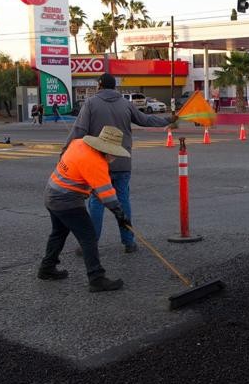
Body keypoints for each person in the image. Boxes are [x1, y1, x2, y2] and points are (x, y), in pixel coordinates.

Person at [65, 73, 176, 254]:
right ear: (114, 87)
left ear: (100, 85)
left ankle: (91, 243)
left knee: (97, 202)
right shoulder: (126, 104)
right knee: (123, 202)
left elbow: (79, 130)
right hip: (122, 160)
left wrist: (66, 150)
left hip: (98, 163)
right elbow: (145, 120)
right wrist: (167, 120)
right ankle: (129, 242)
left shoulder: (91, 103)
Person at [36, 126, 130, 292]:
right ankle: (96, 278)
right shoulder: (96, 162)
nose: (114, 156)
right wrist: (120, 214)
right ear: (105, 150)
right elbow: (107, 195)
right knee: (88, 236)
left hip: (51, 192)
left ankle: (47, 268)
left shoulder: (79, 143)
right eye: (113, 153)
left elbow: (87, 179)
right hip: (66, 200)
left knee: (59, 232)